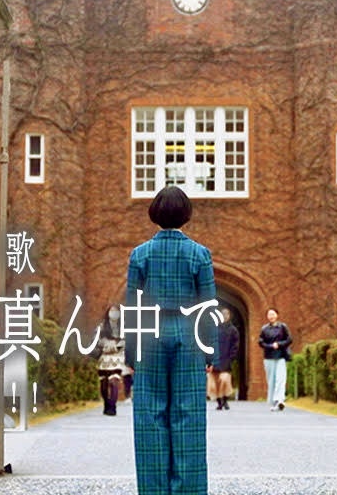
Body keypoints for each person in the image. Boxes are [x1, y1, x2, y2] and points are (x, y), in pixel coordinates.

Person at [126, 186, 216, 495]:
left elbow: (133, 305)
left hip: (149, 334)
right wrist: (209, 351)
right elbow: (207, 306)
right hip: (189, 334)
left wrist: (131, 352)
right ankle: (189, 490)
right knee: (189, 414)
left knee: (149, 415)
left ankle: (153, 489)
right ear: (186, 215)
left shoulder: (140, 254)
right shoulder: (199, 254)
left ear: (154, 214)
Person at [258, 307, 291, 411]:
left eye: (273, 314)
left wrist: (279, 344)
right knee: (271, 380)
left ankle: (280, 400)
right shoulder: (264, 329)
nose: (271, 316)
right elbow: (261, 342)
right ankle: (273, 401)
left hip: (280, 356)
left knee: (280, 379)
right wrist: (270, 346)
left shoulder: (283, 327)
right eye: (269, 314)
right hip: (269, 357)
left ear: (277, 315)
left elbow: (289, 339)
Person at [97, 305, 127, 416]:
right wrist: (106, 344)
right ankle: (106, 404)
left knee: (114, 382)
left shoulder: (123, 327)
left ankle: (113, 407)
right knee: (104, 383)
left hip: (117, 358)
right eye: (112, 311)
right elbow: (96, 340)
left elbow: (127, 340)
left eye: (116, 311)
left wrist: (117, 345)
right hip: (104, 359)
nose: (114, 313)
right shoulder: (102, 326)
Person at [210, 307, 238, 411]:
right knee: (215, 383)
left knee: (224, 381)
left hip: (227, 359)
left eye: (226, 314)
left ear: (229, 316)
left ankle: (225, 400)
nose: (224, 316)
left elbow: (235, 345)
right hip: (216, 359)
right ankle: (219, 402)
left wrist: (232, 357)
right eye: (222, 314)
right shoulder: (215, 329)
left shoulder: (233, 330)